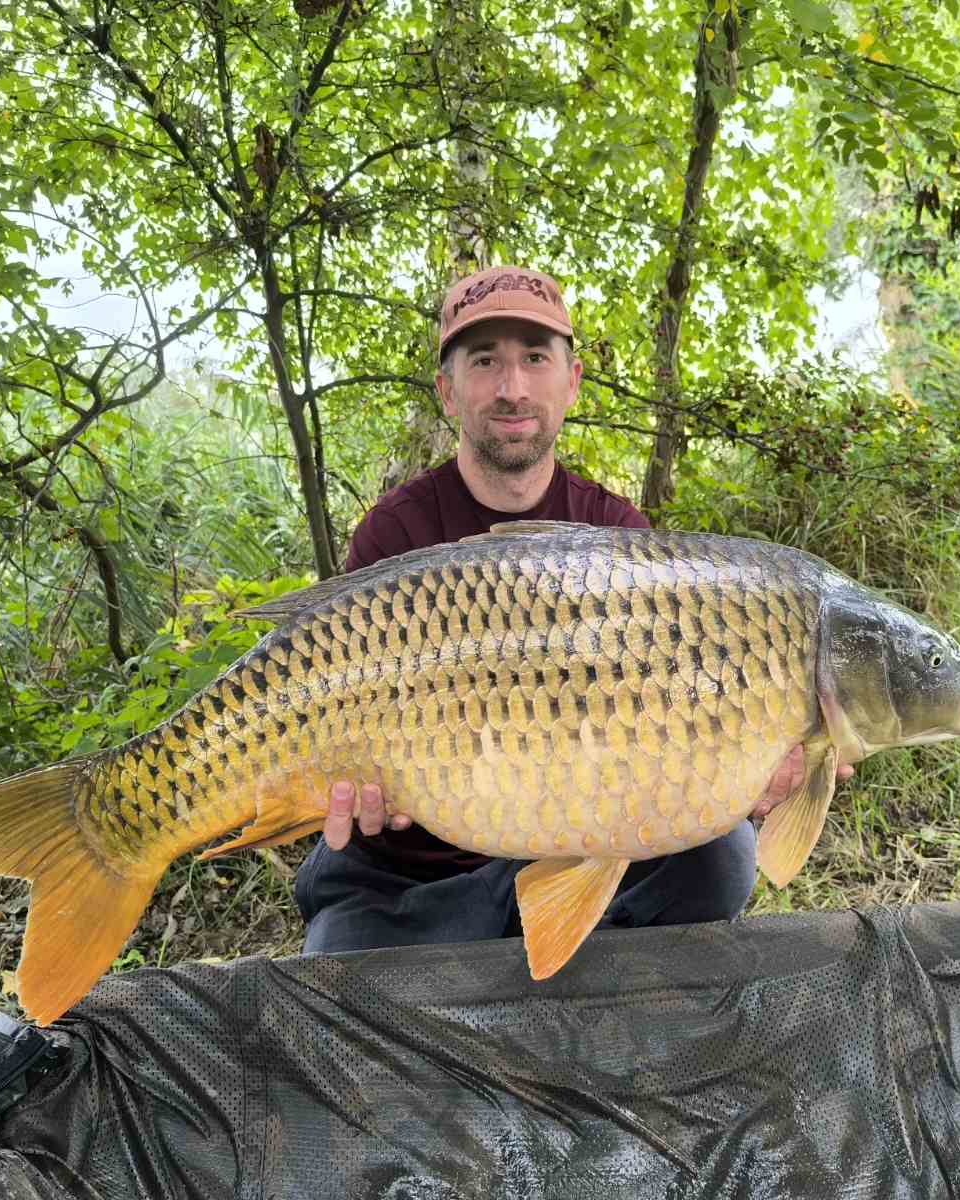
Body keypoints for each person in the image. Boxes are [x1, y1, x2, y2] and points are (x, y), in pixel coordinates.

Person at [295, 264, 850, 956]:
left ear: (572, 381)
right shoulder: (395, 532)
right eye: (485, 361)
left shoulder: (620, 536)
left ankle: (570, 962)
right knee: (341, 974)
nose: (513, 387)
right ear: (447, 391)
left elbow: (669, 727)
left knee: (721, 857)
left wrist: (743, 769)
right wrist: (356, 791)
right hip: (414, 880)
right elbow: (332, 718)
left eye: (535, 358)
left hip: (580, 842)